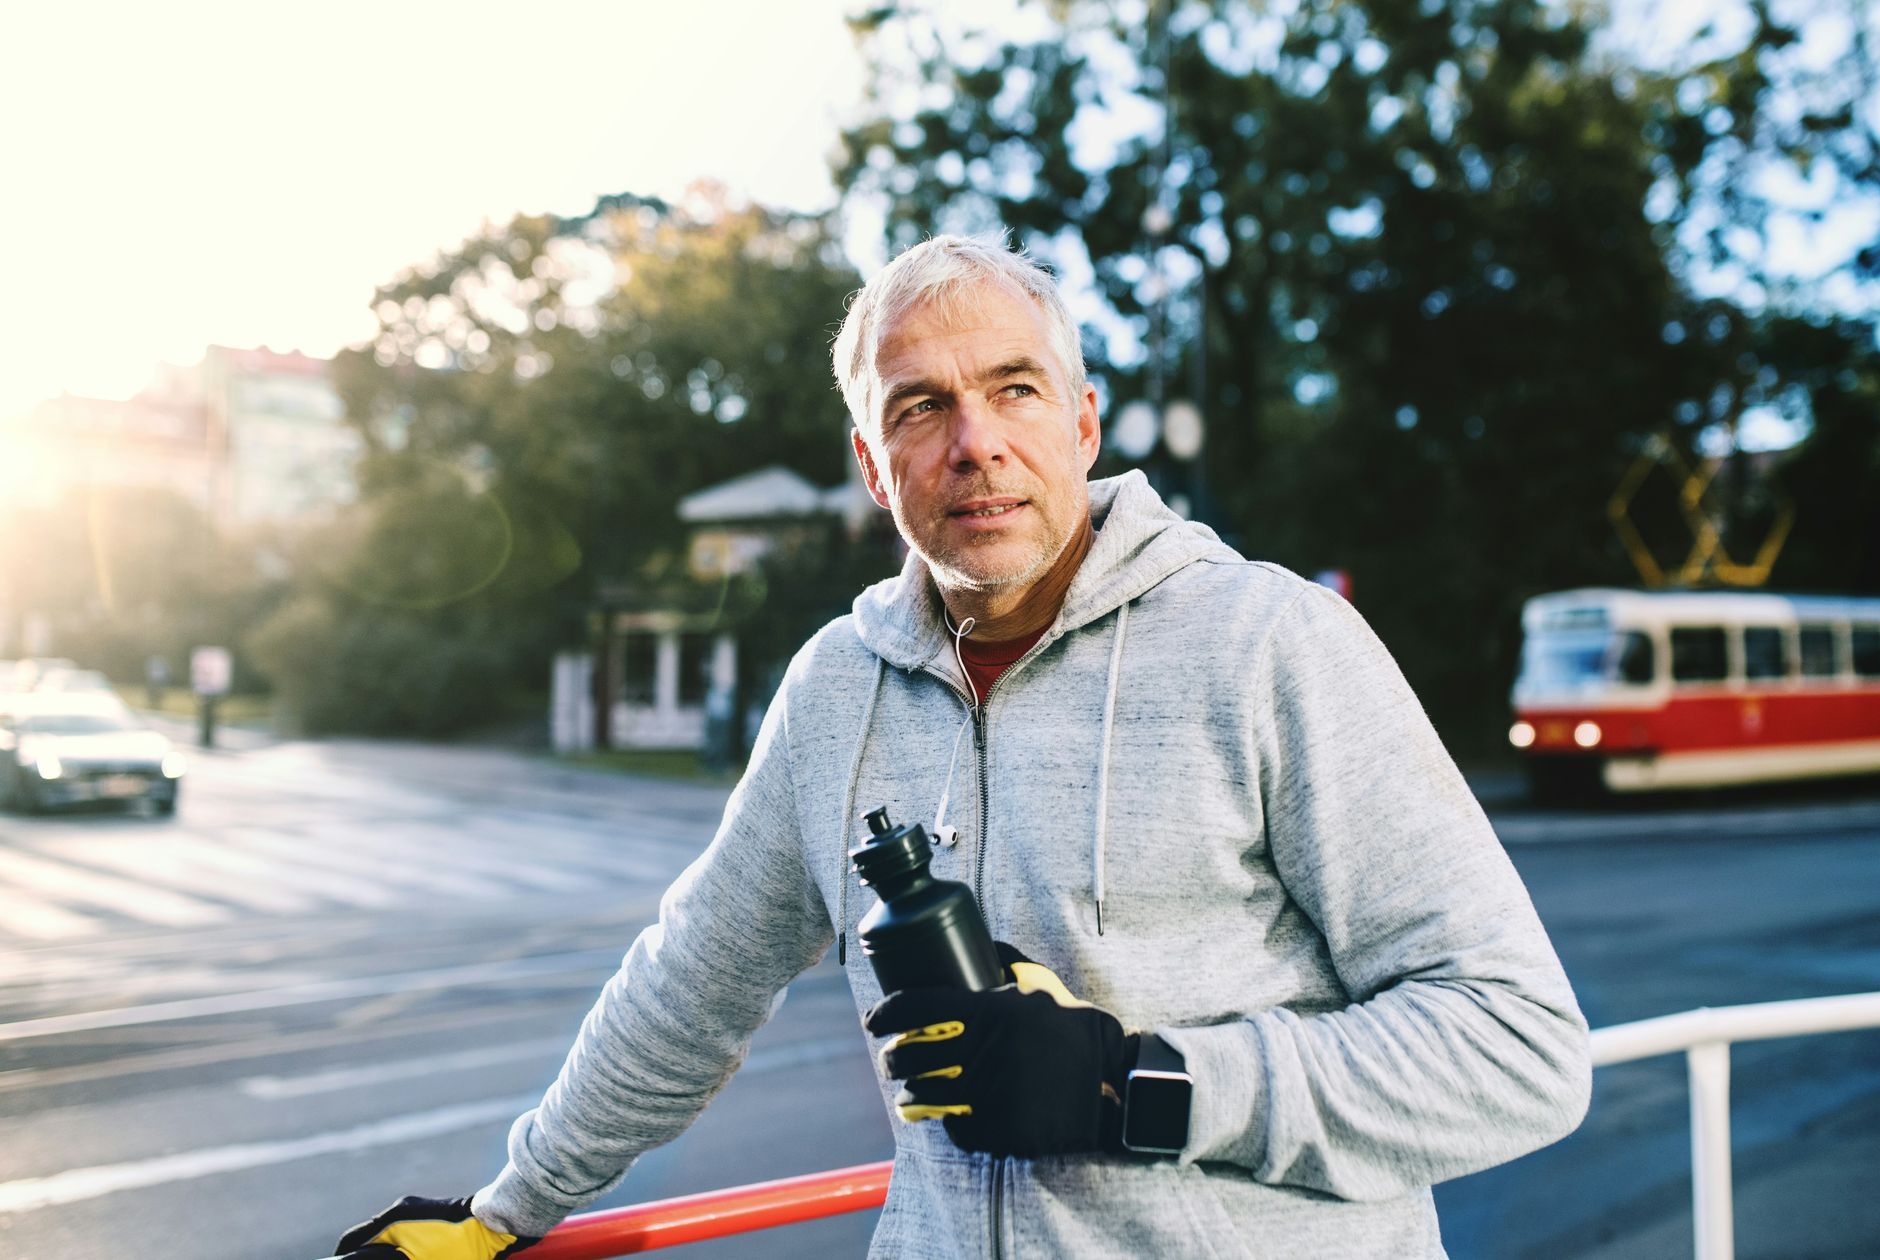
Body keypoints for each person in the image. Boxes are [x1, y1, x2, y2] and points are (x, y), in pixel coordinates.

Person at [333, 236, 1590, 1259]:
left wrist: (1139, 1085)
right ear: (878, 470)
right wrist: (507, 1213)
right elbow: (688, 986)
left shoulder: (1272, 645)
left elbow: (1519, 1049)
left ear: (1086, 427)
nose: (974, 442)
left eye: (1014, 389)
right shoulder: (837, 690)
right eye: (922, 407)